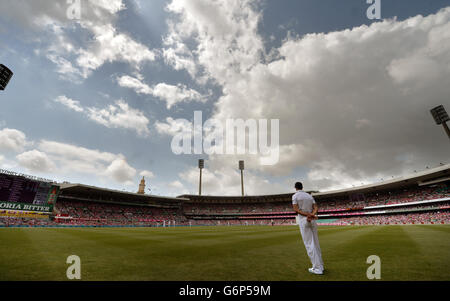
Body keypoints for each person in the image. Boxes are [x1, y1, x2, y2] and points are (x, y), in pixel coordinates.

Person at [292, 182, 324, 275]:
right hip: (312, 219)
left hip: (304, 220)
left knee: (309, 244)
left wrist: (307, 215)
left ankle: (317, 268)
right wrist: (312, 214)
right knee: (316, 243)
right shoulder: (309, 196)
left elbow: (296, 209)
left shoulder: (295, 196)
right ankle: (320, 266)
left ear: (295, 187)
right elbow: (316, 207)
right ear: (302, 187)